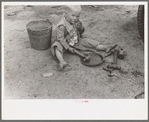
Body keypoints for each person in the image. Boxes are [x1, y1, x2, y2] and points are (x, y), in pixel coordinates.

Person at [51, 5, 117, 71]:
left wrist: (81, 28)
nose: (75, 18)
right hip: (64, 43)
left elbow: (81, 32)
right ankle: (62, 62)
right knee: (56, 46)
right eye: (73, 15)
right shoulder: (62, 25)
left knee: (87, 41)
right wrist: (68, 47)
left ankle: (104, 47)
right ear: (65, 14)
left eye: (77, 16)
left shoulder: (76, 21)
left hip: (75, 41)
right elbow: (60, 39)